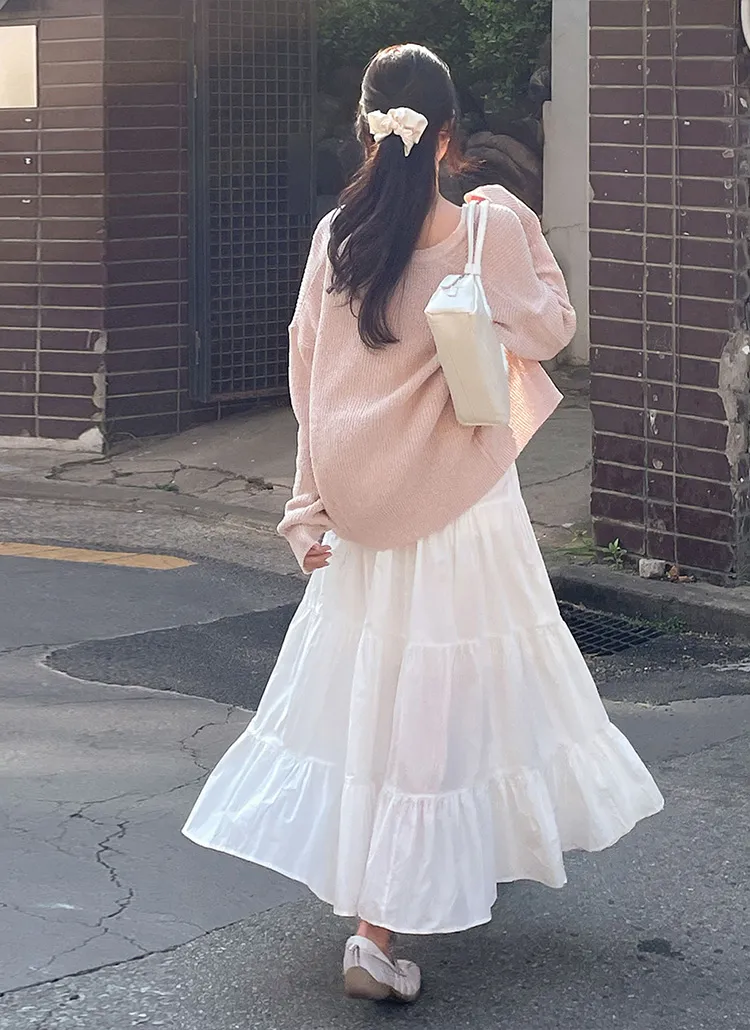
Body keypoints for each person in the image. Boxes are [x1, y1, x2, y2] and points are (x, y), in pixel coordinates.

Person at [183, 43, 664, 1004]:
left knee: (376, 694)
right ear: (449, 134)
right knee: (449, 693)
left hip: (362, 506)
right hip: (464, 502)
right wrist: (511, 229)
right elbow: (552, 330)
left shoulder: (337, 238)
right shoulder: (486, 226)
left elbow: (308, 376)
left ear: (366, 130)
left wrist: (305, 503)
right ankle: (378, 931)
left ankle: (407, 888)